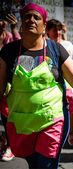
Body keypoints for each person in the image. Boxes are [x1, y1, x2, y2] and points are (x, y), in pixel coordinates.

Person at [0, 3, 73, 168]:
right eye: (27, 17)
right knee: (34, 164)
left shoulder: (56, 50)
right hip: (21, 121)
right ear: (22, 24)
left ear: (44, 26)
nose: (31, 20)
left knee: (46, 165)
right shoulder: (8, 52)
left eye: (36, 17)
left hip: (53, 120)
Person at [46, 19, 73, 146]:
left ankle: (71, 131)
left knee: (69, 109)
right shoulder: (43, 46)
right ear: (47, 31)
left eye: (59, 29)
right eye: (54, 29)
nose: (58, 32)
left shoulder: (68, 45)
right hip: (49, 87)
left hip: (68, 86)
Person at [0, 13, 21, 162]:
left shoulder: (9, 37)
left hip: (5, 84)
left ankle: (10, 145)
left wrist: (14, 29)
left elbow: (21, 48)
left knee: (6, 115)